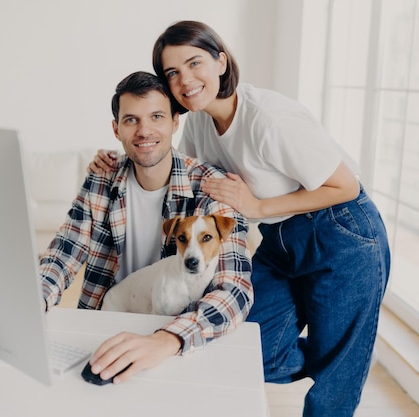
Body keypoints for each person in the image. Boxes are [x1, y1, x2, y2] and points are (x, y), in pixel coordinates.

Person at [88, 21, 390, 417]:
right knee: (245, 347)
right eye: (172, 73)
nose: (186, 80)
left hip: (342, 232)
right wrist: (116, 164)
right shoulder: (198, 123)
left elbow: (346, 187)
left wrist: (257, 208)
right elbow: (181, 174)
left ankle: (341, 359)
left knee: (335, 384)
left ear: (220, 61)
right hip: (281, 239)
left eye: (194, 63)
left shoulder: (268, 118)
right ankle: (337, 353)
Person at [39, 70, 252, 385]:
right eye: (131, 120)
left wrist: (167, 339)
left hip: (177, 335)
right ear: (116, 129)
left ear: (174, 123)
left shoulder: (211, 187)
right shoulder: (102, 178)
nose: (144, 130)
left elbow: (235, 289)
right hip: (104, 323)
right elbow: (64, 252)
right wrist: (38, 298)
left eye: (156, 116)